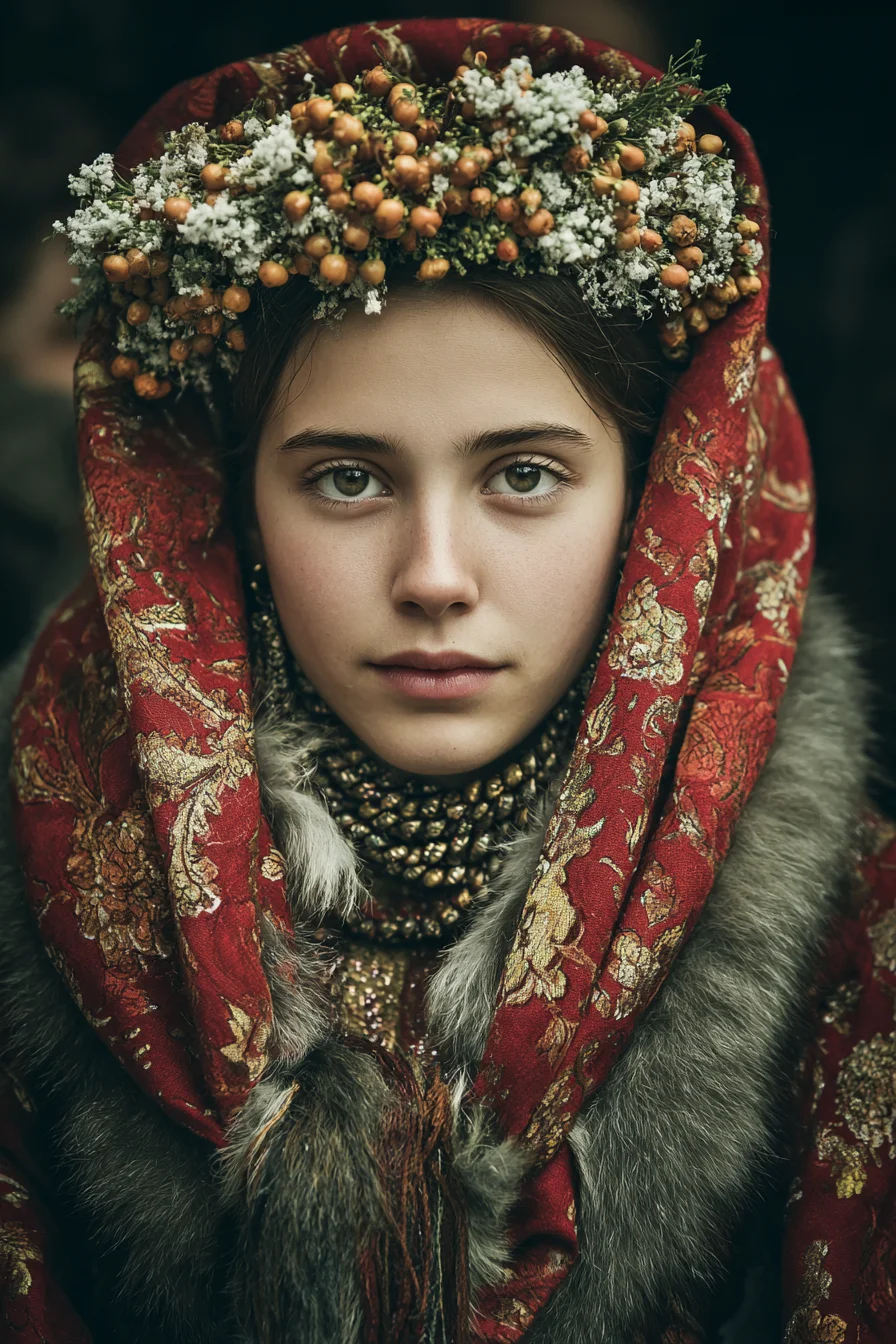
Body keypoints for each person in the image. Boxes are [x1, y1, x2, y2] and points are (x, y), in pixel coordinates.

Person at [1, 17, 893, 1343]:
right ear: (224, 507)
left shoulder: (855, 929)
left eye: (523, 476)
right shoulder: (41, 870)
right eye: (346, 479)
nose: (433, 574)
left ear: (661, 511)